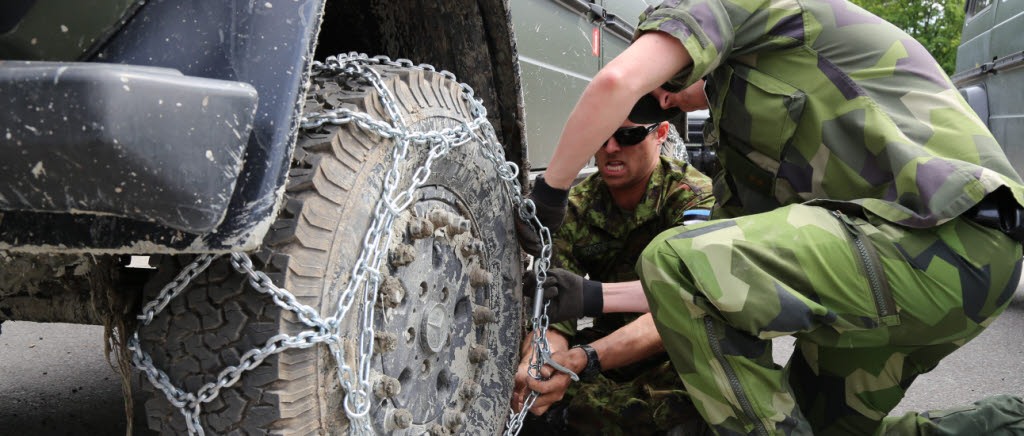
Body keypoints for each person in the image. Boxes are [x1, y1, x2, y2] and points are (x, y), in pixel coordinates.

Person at [517, 0, 1024, 435]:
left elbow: (617, 80)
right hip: (908, 270)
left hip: (954, 236)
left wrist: (549, 191)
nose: (660, 100)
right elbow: (716, 281)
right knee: (813, 422)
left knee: (674, 261)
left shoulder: (740, 10)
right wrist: (593, 296)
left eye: (654, 99)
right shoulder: (738, 155)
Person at [512, 112, 715, 435]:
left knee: (706, 395)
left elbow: (687, 307)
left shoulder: (691, 198)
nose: (610, 147)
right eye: (601, 133)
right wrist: (538, 363)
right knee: (530, 396)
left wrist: (584, 359)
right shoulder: (576, 208)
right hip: (604, 352)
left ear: (660, 134)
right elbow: (554, 314)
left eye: (628, 136)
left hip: (677, 348)